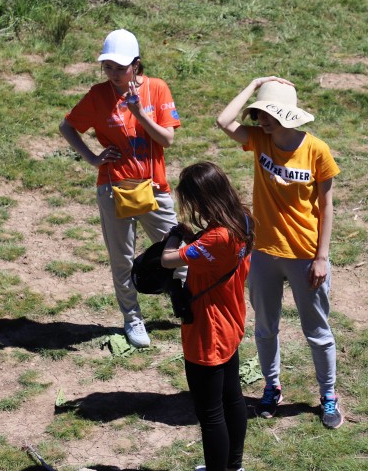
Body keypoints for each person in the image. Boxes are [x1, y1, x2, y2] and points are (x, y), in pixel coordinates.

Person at [216, 77, 343, 429]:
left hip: (305, 254)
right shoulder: (260, 140)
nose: (261, 121)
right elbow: (224, 121)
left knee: (317, 330)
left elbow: (327, 206)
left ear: (287, 114)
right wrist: (254, 84)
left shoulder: (317, 150)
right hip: (264, 253)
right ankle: (271, 387)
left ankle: (328, 395)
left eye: (268, 114)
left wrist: (321, 257)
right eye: (258, 114)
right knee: (265, 327)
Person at [59, 29, 183, 348]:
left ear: (136, 64)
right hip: (115, 188)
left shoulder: (156, 89)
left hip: (154, 188)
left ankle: (185, 300)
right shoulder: (98, 95)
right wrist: (92, 158)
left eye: (121, 67)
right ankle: (132, 318)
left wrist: (139, 113)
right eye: (108, 67)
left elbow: (167, 139)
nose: (113, 74)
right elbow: (67, 126)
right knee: (122, 259)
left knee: (178, 251)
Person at [161, 161, 254, 471]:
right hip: (230, 322)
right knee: (232, 398)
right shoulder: (242, 220)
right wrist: (193, 237)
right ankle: (234, 466)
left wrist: (176, 235)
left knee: (211, 413)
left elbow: (168, 260)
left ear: (202, 198)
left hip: (208, 331)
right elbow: (213, 255)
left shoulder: (216, 238)